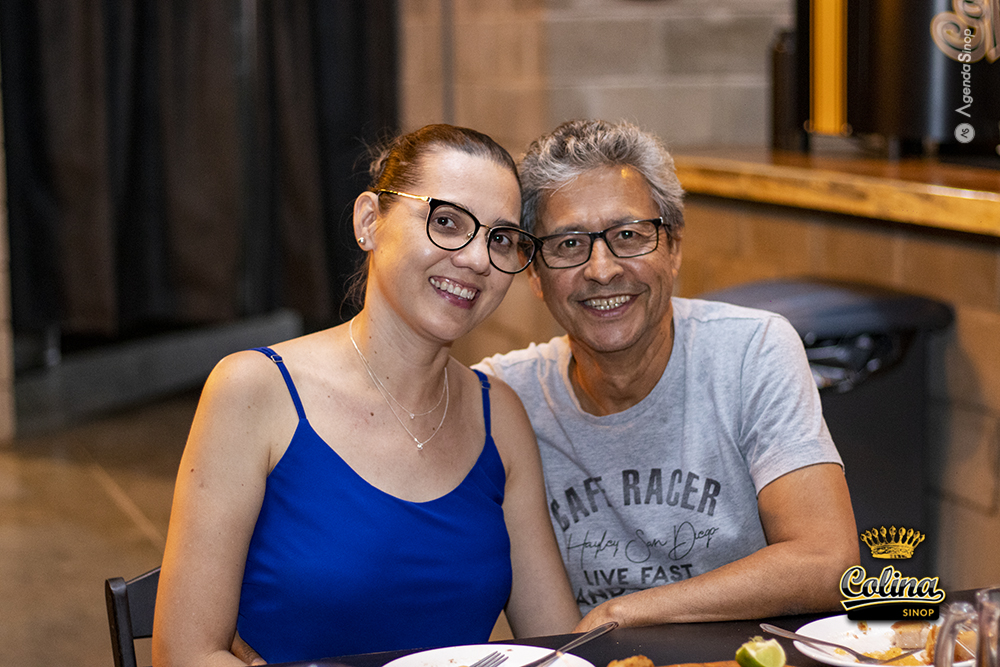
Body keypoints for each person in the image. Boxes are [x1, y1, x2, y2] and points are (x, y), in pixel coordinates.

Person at [153, 124, 581, 666]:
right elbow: (183, 654)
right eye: (446, 222)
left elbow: (558, 645)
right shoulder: (254, 389)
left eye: (500, 239)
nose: (477, 259)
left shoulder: (499, 414)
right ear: (369, 222)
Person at [474, 119, 859, 631]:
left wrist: (621, 612)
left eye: (629, 236)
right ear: (535, 273)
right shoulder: (506, 399)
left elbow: (827, 561)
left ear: (673, 248)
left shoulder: (751, 350)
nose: (602, 269)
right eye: (568, 245)